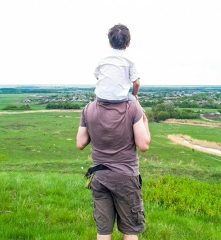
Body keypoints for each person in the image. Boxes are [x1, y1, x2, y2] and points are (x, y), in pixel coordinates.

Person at [76, 99, 151, 240]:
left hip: (99, 176)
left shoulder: (88, 108)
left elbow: (80, 143)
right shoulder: (133, 107)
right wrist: (145, 124)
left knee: (103, 232)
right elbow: (144, 145)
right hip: (126, 177)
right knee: (130, 230)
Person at [94, 24, 141, 104]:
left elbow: (97, 76)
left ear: (110, 43)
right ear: (128, 43)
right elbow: (136, 83)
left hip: (101, 97)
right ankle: (144, 116)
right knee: (138, 109)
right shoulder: (130, 60)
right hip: (121, 98)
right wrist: (134, 94)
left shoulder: (103, 58)